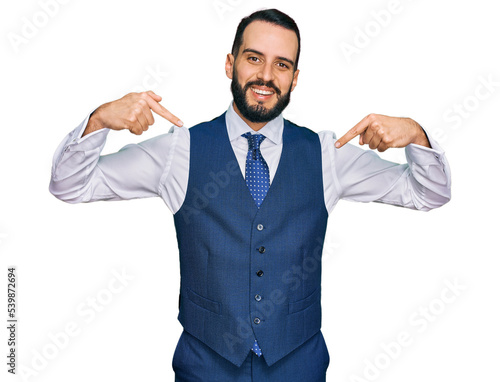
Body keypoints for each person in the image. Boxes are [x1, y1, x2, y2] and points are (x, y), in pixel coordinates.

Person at [49, 8, 451, 382]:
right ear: (230, 64)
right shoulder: (180, 151)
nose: (266, 76)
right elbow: (70, 185)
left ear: (295, 78)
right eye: (254, 58)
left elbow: (428, 193)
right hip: (205, 366)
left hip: (299, 366)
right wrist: (99, 120)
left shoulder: (328, 155)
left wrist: (416, 135)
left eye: (282, 64)